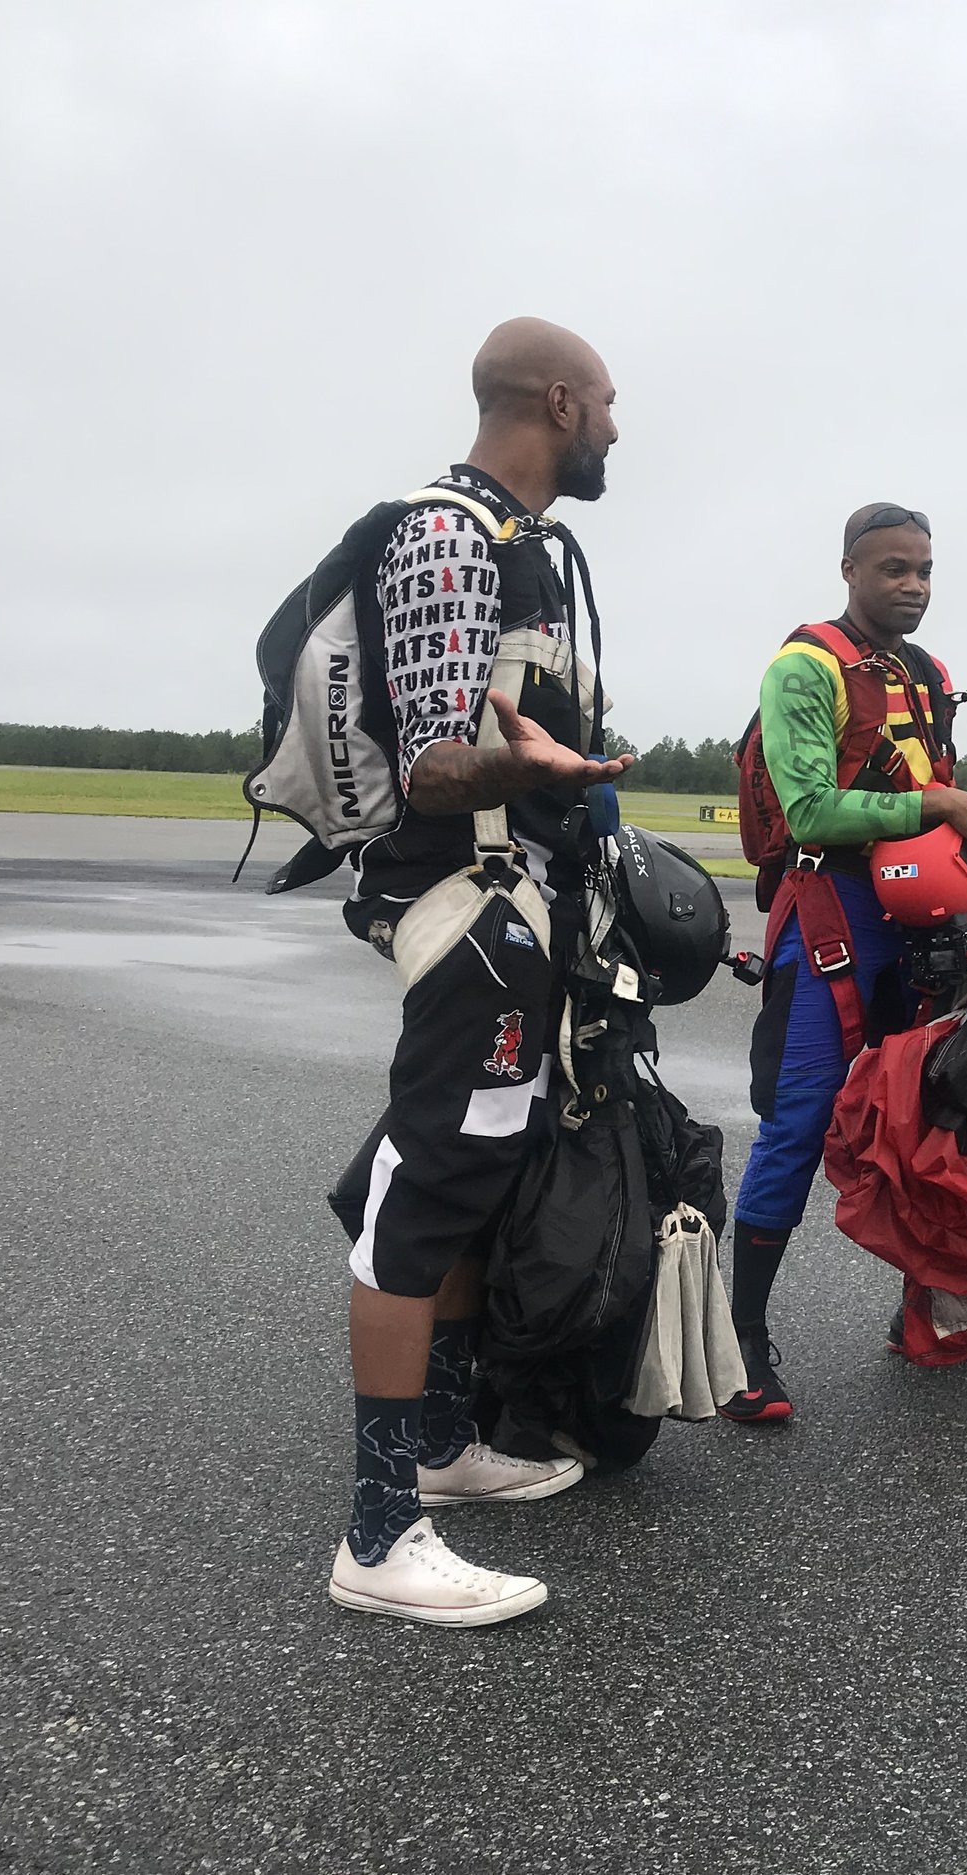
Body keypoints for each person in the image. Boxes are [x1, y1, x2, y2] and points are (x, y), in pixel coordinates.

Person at [321, 318, 635, 1626]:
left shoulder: (530, 548)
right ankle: (378, 1532)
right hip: (464, 903)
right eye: (609, 404)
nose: (618, 427)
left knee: (471, 1177)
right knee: (426, 1187)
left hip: (519, 903)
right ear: (557, 400)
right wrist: (532, 769)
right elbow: (434, 762)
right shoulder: (448, 532)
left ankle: (443, 1447)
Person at [721, 504, 967, 1421]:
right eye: (893, 569)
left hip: (918, 921)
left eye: (924, 569)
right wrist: (939, 805)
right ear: (849, 569)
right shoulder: (804, 668)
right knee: (801, 1120)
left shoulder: (928, 673)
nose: (913, 585)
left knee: (931, 1116)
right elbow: (809, 811)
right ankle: (742, 1346)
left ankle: (932, 1314)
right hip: (834, 917)